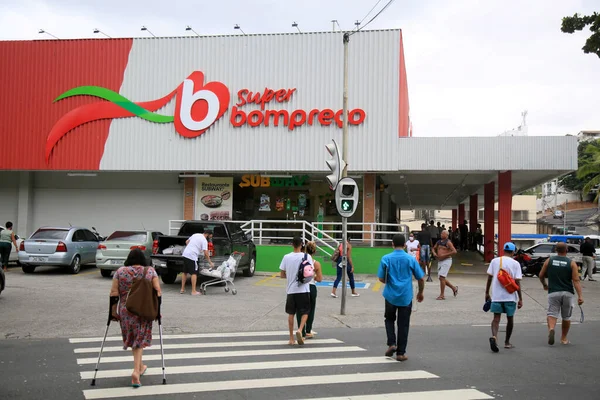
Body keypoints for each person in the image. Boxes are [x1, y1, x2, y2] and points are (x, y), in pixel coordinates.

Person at [109, 249, 162, 387]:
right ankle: (136, 371)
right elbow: (158, 291)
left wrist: (113, 311)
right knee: (139, 339)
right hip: (144, 310)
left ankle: (140, 366)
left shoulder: (120, 272)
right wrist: (157, 311)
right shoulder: (150, 271)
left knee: (134, 339)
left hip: (126, 311)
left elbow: (114, 292)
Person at [377, 234, 425, 361]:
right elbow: (420, 278)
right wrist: (420, 292)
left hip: (390, 296)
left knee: (389, 319)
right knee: (403, 324)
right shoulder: (410, 259)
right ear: (405, 245)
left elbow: (381, 278)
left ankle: (392, 343)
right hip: (405, 296)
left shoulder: (385, 258)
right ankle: (401, 353)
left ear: (392, 244)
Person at [539, 242, 584, 345]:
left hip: (553, 292)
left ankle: (551, 329)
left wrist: (544, 285)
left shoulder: (549, 261)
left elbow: (541, 275)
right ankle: (563, 338)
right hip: (567, 293)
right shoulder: (571, 263)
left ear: (556, 250)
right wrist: (580, 296)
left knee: (552, 313)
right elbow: (576, 281)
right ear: (566, 250)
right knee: (566, 317)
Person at [485, 242, 523, 352]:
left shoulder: (494, 261)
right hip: (510, 297)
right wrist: (520, 298)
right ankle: (507, 342)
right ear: (513, 252)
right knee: (510, 319)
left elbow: (489, 278)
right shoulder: (515, 263)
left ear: (503, 250)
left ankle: (494, 337)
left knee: (496, 318)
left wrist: (487, 293)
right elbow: (517, 282)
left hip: (497, 296)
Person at [280, 237, 313, 345]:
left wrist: (290, 276)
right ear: (302, 245)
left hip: (291, 290)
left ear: (292, 245)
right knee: (305, 311)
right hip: (303, 289)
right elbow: (310, 273)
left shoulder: (286, 257)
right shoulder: (307, 256)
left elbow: (282, 275)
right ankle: (300, 330)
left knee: (291, 313)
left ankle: (291, 338)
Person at [296, 241, 323, 339]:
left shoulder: (300, 261)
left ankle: (301, 330)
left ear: (305, 249)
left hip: (301, 287)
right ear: (314, 251)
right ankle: (308, 330)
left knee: (300, 310)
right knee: (310, 310)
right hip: (311, 287)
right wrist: (313, 276)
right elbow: (319, 279)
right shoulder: (316, 264)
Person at [181, 229, 214, 295]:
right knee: (194, 273)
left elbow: (187, 242)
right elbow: (206, 253)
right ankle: (193, 291)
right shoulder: (204, 240)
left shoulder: (196, 234)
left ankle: (182, 289)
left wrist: (194, 248)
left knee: (185, 272)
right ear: (208, 234)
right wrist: (210, 262)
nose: (210, 238)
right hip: (192, 256)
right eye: (210, 237)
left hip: (185, 254)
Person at [432, 230, 458, 300]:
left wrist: (444, 255)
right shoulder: (438, 242)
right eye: (441, 233)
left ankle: (442, 295)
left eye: (443, 233)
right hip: (440, 261)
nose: (441, 234)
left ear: (446, 235)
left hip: (447, 260)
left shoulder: (448, 242)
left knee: (442, 277)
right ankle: (453, 288)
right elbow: (433, 248)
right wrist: (434, 253)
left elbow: (454, 251)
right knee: (441, 278)